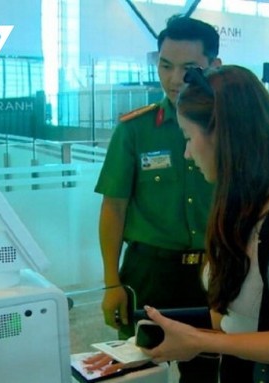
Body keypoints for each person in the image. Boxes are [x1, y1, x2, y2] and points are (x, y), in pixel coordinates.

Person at [139, 65, 269, 382]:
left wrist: (203, 341)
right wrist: (181, 335)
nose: (186, 153)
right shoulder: (241, 207)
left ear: (222, 136)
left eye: (188, 137)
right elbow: (234, 321)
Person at [93, 15, 221, 383]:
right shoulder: (135, 129)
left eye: (189, 68)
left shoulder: (229, 128)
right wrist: (111, 283)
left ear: (214, 66)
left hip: (215, 273)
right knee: (142, 371)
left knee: (209, 369)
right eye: (165, 66)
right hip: (151, 273)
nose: (174, 79)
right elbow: (113, 208)